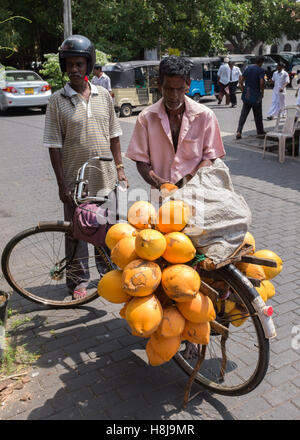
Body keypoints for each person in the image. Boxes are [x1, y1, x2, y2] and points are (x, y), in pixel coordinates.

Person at [43, 34, 127, 299]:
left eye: (79, 64)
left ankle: (109, 274)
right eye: (69, 65)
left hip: (106, 178)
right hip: (75, 182)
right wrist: (61, 184)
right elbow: (54, 146)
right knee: (76, 232)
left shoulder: (103, 95)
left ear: (88, 65)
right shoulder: (57, 101)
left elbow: (114, 135)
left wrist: (121, 169)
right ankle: (78, 281)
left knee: (108, 230)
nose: (74, 70)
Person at [126, 56, 225, 190]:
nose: (174, 95)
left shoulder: (205, 116)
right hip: (160, 194)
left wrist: (188, 181)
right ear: (159, 84)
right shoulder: (146, 118)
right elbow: (141, 160)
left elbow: (211, 157)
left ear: (188, 84)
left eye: (179, 89)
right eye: (169, 88)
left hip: (196, 192)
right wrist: (160, 183)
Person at [236, 56, 266, 139]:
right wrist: (262, 92)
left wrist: (243, 90)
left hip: (247, 94)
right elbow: (261, 82)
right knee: (258, 114)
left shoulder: (248, 68)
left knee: (243, 114)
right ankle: (260, 131)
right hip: (256, 95)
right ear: (261, 63)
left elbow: (241, 80)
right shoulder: (261, 70)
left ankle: (239, 131)